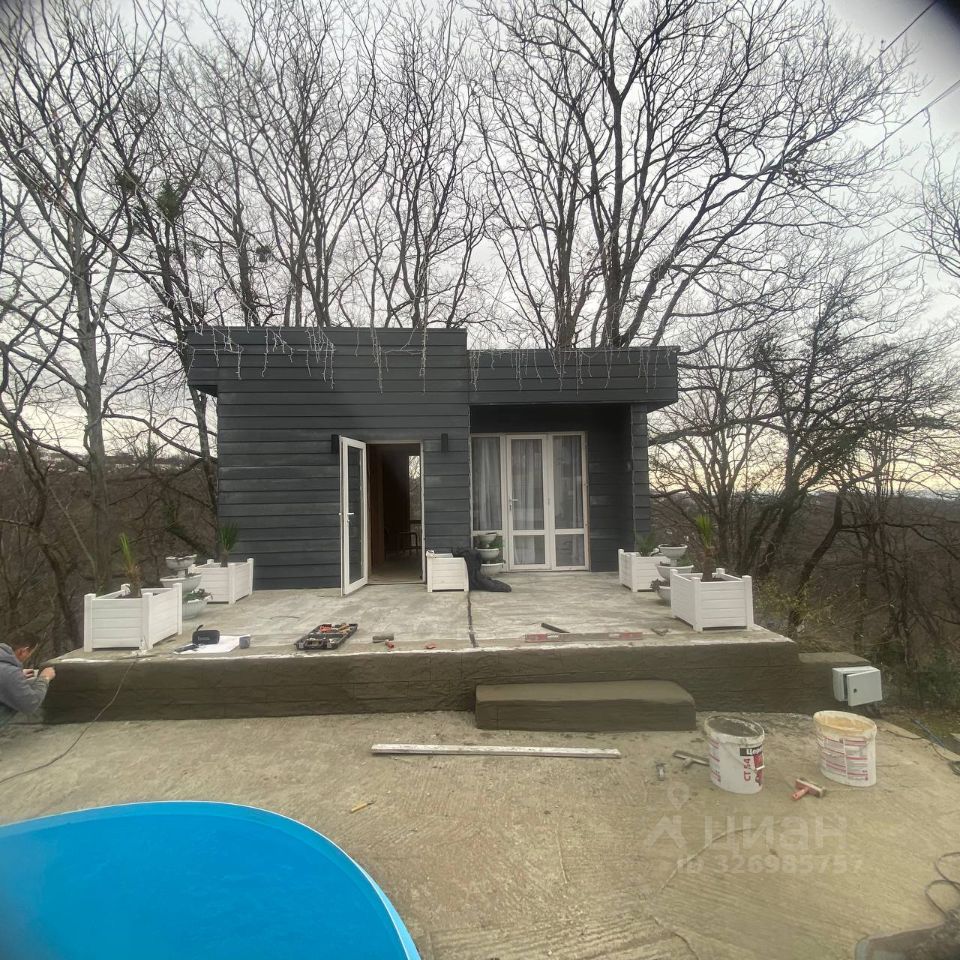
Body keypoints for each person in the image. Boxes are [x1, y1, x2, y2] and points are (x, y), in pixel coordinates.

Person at [0, 636, 55, 724]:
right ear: (23, 651)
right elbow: (30, 704)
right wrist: (45, 678)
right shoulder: (10, 672)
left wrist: (18, 675)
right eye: (31, 653)